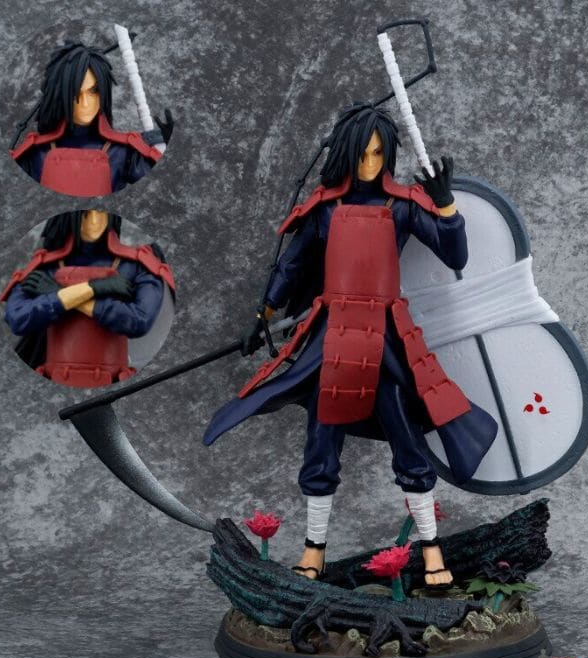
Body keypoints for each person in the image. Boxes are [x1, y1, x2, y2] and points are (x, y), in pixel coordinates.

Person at [204, 104, 497, 585]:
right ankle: (314, 551)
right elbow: (291, 266)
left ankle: (431, 551)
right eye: (363, 154)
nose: (370, 163)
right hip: (334, 339)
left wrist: (445, 205)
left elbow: (455, 255)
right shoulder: (324, 209)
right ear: (346, 153)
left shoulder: (402, 206)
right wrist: (263, 315)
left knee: (407, 439)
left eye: (379, 154)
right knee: (322, 441)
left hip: (385, 341)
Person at [0, 210, 175, 388]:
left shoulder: (135, 265)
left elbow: (139, 320)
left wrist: (60, 294)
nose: (94, 221)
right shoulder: (45, 266)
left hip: (115, 382)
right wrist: (95, 288)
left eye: (100, 213)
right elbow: (17, 318)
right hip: (53, 380)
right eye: (85, 216)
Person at [10, 42, 170, 196]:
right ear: (60, 94)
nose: (85, 104)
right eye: (75, 93)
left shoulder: (124, 152)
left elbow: (163, 191)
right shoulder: (34, 153)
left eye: (93, 91)